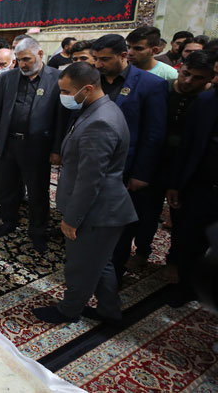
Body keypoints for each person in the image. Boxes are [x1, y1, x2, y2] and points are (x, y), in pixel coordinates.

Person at [32, 62, 137, 324]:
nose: (63, 96)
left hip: (96, 211)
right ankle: (109, 311)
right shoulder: (99, 109)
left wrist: (72, 219)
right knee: (100, 264)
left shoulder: (100, 122)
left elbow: (91, 180)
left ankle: (68, 311)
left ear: (87, 89)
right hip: (102, 209)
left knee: (80, 266)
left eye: (66, 91)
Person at [90, 34, 168, 278]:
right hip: (93, 165)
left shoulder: (151, 85)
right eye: (95, 59)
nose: (98, 64)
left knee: (119, 227)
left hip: (125, 169)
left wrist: (141, 173)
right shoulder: (93, 80)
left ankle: (113, 275)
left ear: (123, 56)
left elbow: (153, 134)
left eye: (104, 59)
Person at [0, 37, 65, 252]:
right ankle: (8, 221)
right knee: (7, 188)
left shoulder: (56, 78)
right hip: (9, 143)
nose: (22, 64)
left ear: (39, 54)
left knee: (38, 192)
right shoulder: (8, 78)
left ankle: (38, 231)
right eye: (19, 60)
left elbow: (60, 118)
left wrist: (56, 149)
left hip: (37, 147)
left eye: (26, 59)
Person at [152, 51, 215, 274]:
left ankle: (177, 261)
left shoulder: (207, 100)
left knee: (186, 222)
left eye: (198, 78)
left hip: (191, 171)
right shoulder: (163, 88)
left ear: (210, 78)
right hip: (156, 162)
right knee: (148, 213)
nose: (188, 81)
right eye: (185, 73)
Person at [165, 57, 218, 307]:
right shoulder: (206, 101)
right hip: (201, 186)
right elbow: (187, 146)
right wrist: (175, 184)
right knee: (190, 238)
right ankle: (185, 287)